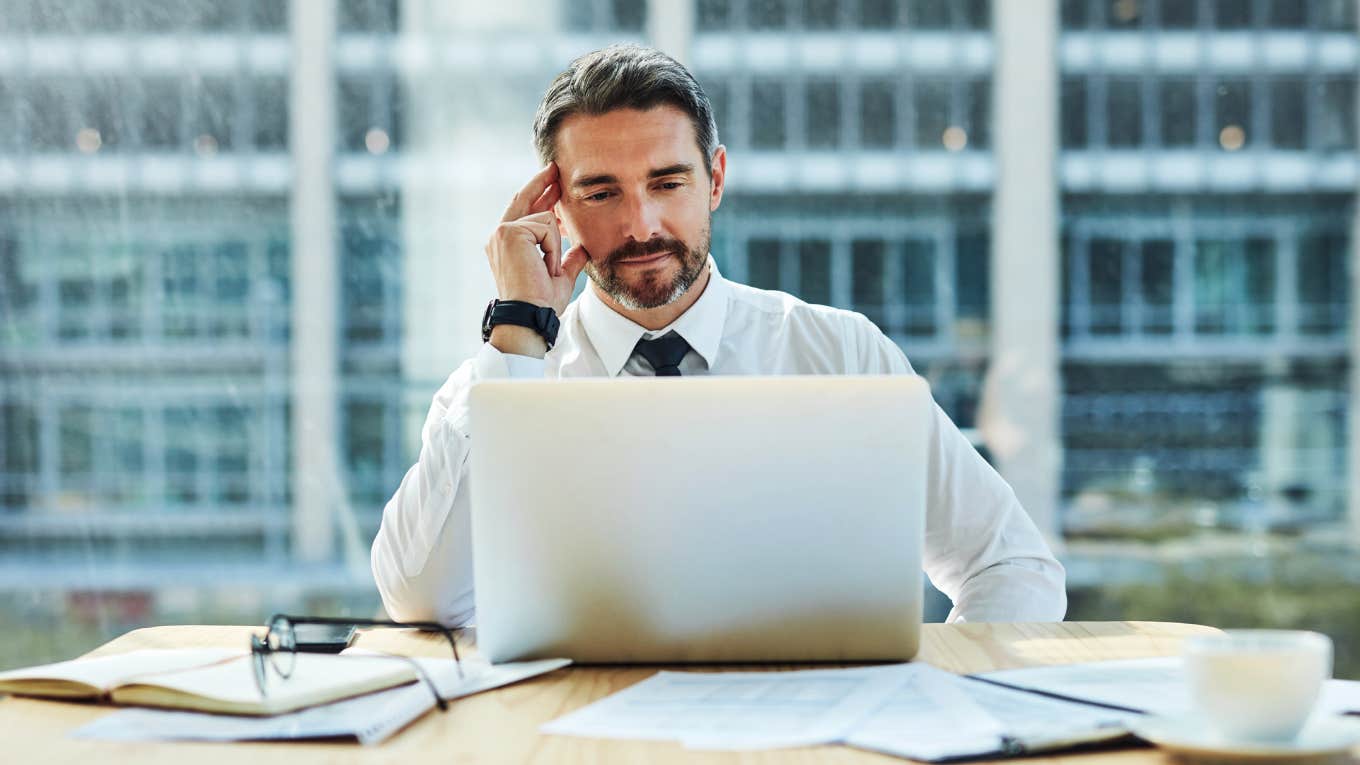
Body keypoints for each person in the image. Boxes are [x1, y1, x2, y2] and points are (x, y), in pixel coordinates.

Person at [371, 44, 1066, 627]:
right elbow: (419, 597)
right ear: (554, 206)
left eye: (667, 182)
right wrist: (519, 330)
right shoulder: (503, 379)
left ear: (716, 180)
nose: (641, 224)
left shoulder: (839, 355)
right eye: (602, 192)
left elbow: (1012, 564)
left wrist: (935, 701)